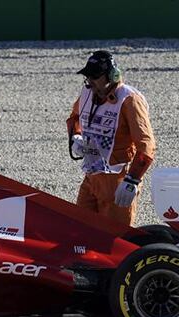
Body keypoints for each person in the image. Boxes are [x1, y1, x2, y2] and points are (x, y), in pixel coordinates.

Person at [66, 50, 156, 226]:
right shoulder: (87, 94)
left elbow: (147, 145)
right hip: (91, 175)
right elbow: (74, 118)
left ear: (112, 76)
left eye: (95, 77)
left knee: (116, 240)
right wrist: (75, 136)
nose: (90, 82)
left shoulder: (129, 100)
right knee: (80, 231)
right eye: (88, 77)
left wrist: (132, 180)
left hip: (118, 179)